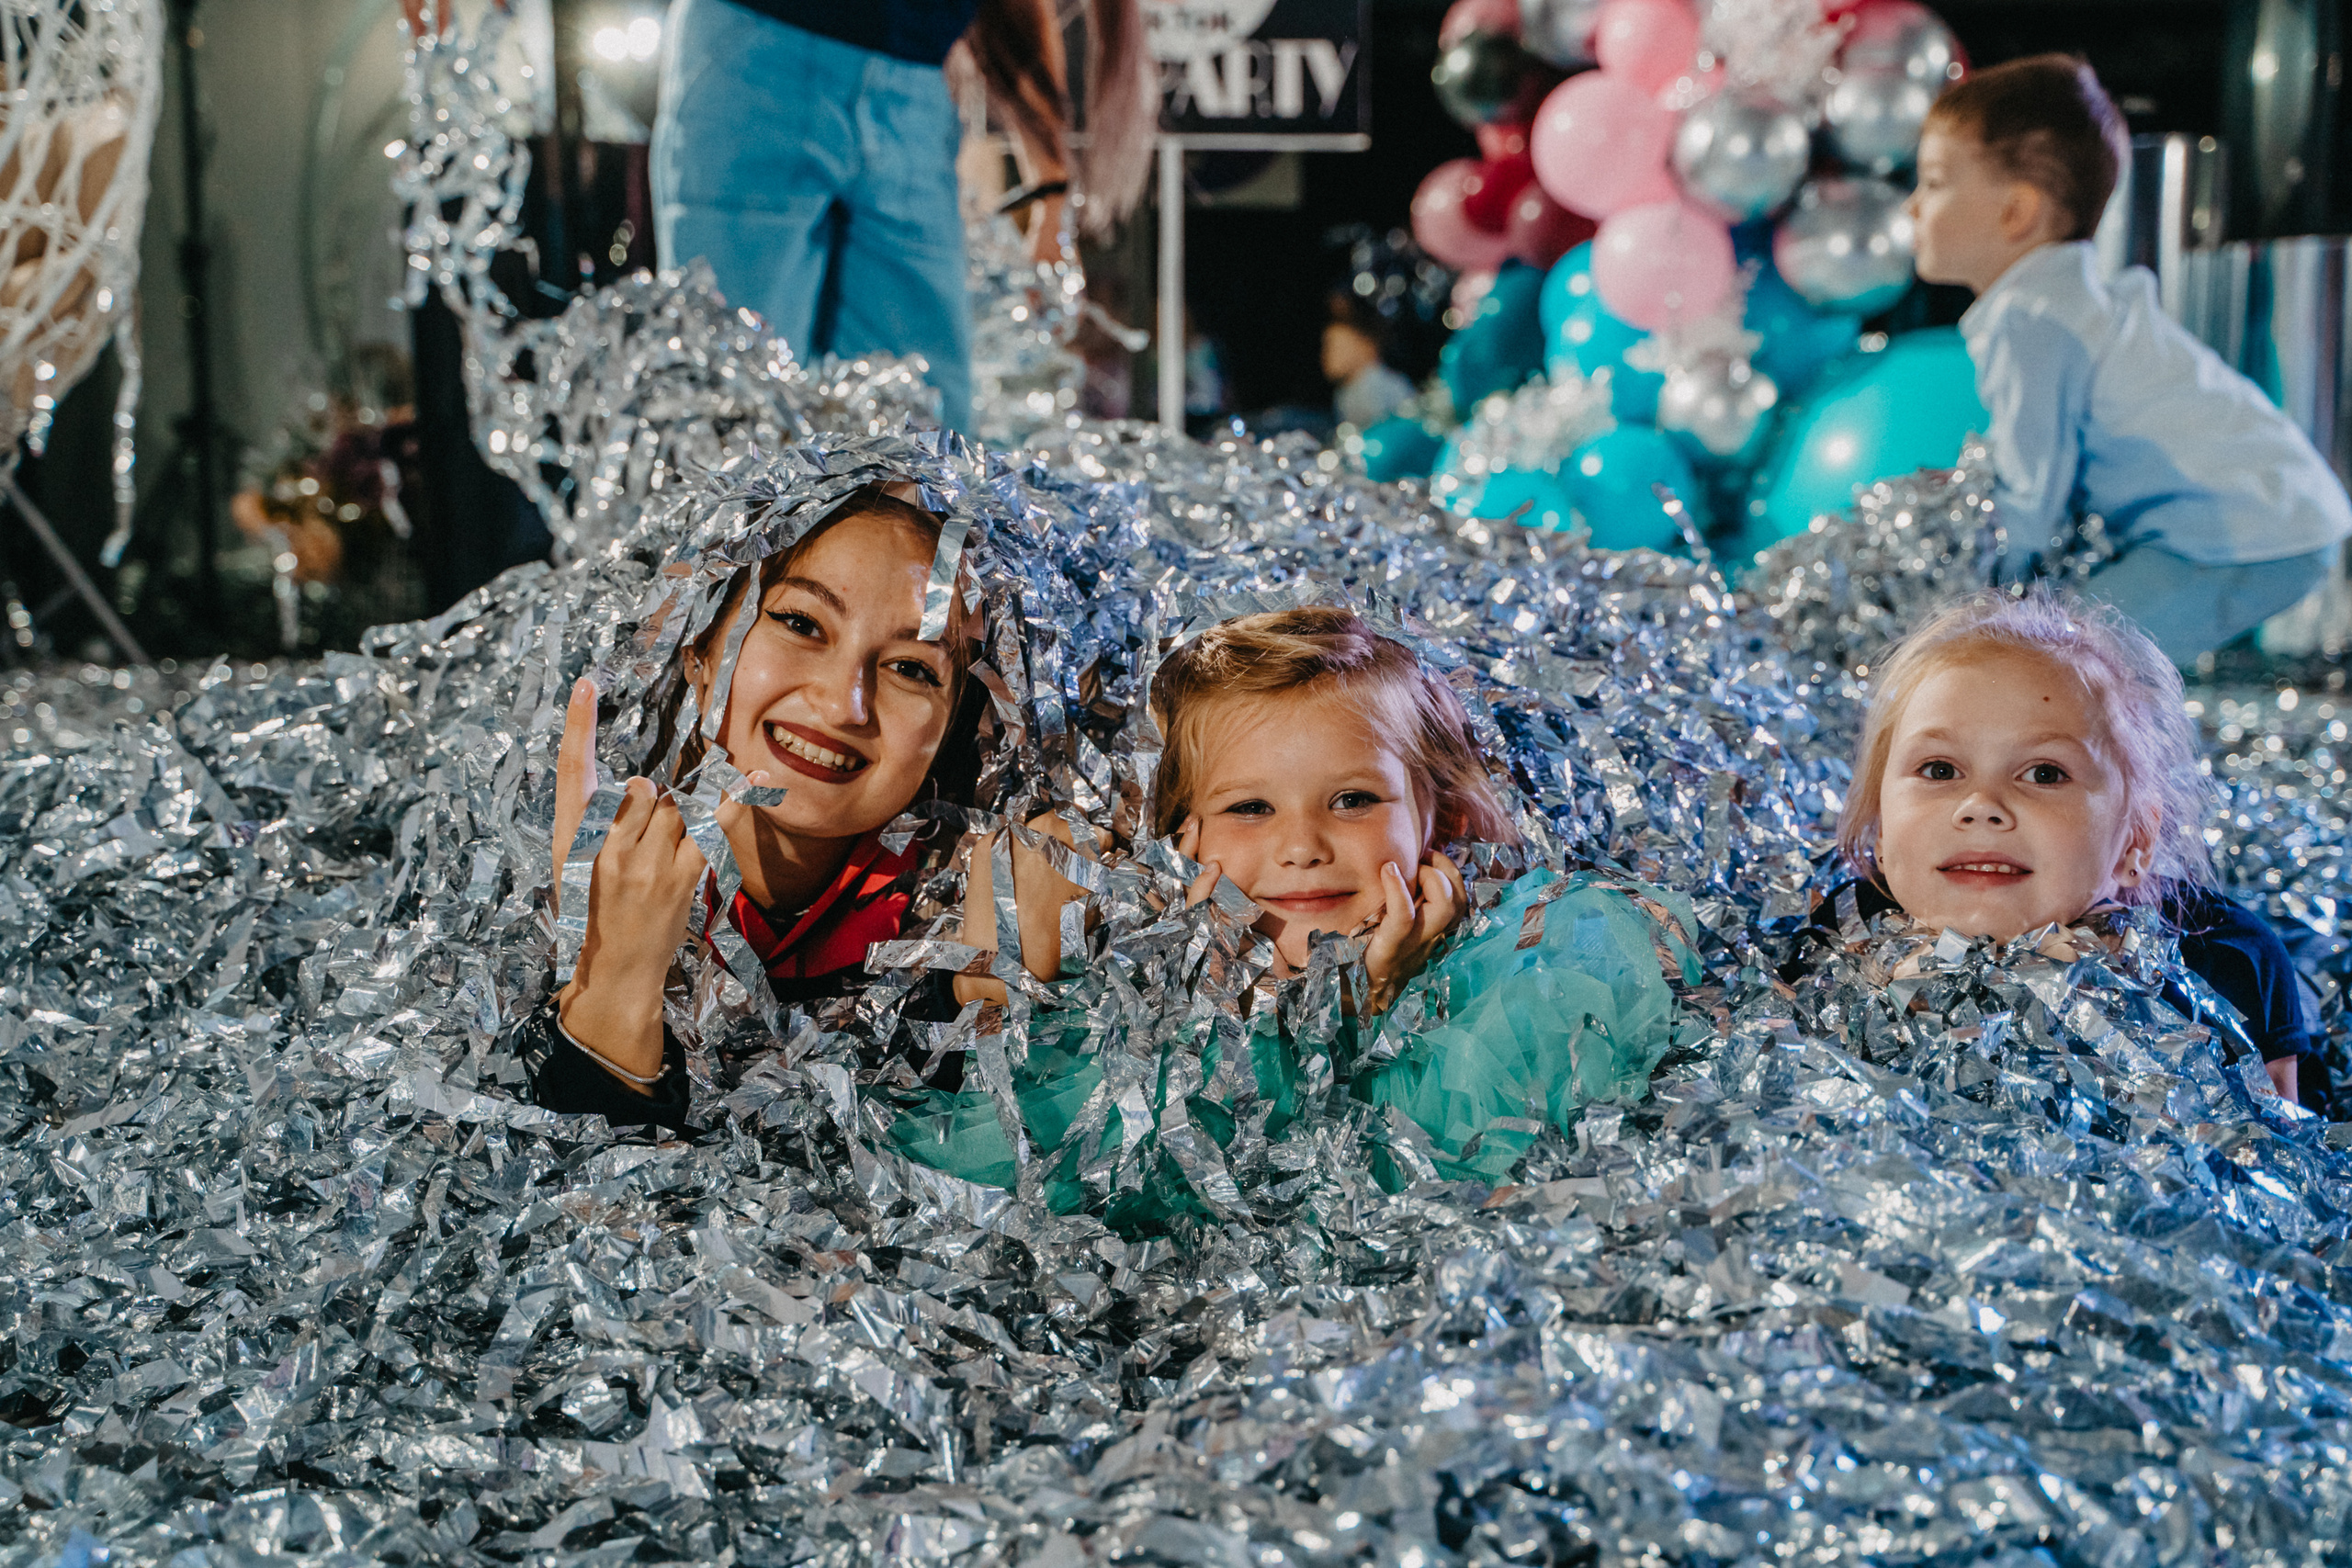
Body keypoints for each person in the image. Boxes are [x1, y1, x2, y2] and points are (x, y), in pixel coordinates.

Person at [886, 608, 1698, 1223]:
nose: (1302, 845)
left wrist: (1363, 1010)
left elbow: (1410, 1198)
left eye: (1352, 799)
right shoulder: (1144, 1020)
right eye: (1249, 808)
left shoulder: (1540, 960)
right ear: (1185, 837)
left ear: (1435, 816)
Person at [511, 479, 989, 1131]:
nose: (843, 703)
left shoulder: (964, 935)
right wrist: (611, 982)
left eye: (911, 668)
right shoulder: (538, 881)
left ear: (949, 731)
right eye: (800, 623)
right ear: (701, 651)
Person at [1905, 55, 2352, 666]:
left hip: (2242, 533)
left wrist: (1969, 602)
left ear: (2017, 212)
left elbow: (2029, 507)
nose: (1911, 206)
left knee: (2063, 655)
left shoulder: (2031, 318)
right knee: (2089, 656)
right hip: (2277, 517)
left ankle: (2125, 761)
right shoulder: (2064, 300)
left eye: (1932, 182)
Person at [1801, 587, 2323, 1108]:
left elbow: (2274, 1150)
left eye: (2044, 773)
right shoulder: (1847, 933)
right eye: (1940, 770)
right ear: (1883, 832)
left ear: (2135, 840)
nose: (1981, 805)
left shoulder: (2225, 962)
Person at [650, 0, 1152, 434]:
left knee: (927, 435)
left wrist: (1052, 193)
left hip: (912, 83)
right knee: (732, 405)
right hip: (760, 46)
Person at [1324, 293, 1417, 431]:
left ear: (1367, 347)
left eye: (1336, 348)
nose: (1327, 356)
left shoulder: (1374, 384)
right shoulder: (1347, 391)